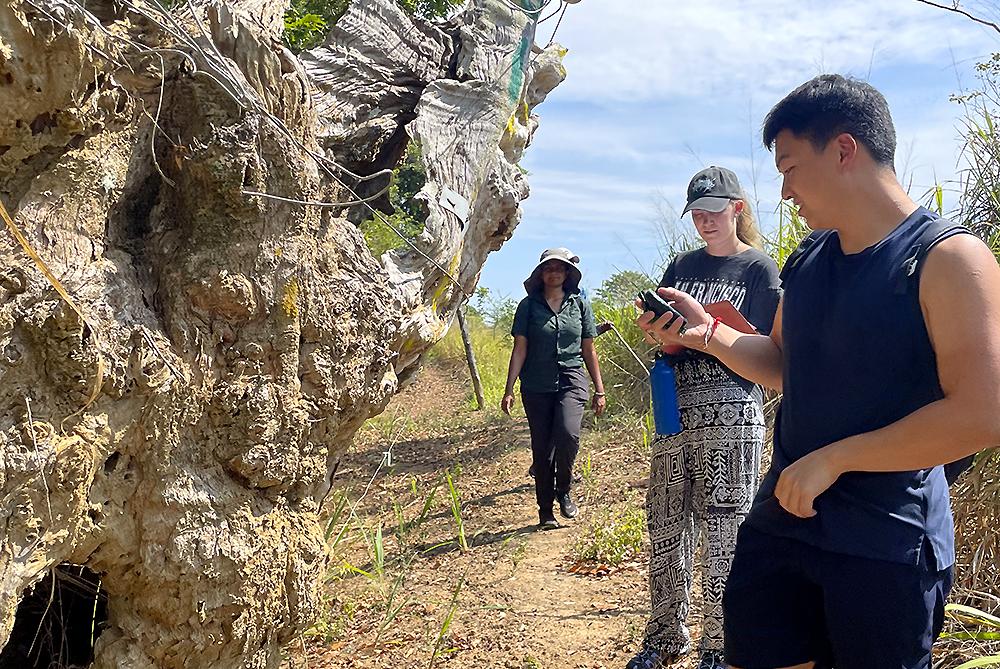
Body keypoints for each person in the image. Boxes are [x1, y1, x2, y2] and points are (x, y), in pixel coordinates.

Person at [638, 74, 1000, 669]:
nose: (783, 192)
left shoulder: (947, 259)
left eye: (789, 167)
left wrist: (836, 459)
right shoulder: (807, 260)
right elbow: (783, 365)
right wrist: (708, 333)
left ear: (842, 150)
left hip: (886, 539)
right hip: (783, 522)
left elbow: (981, 414)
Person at [627, 167, 780, 669]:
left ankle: (719, 646)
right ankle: (664, 636)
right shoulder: (681, 265)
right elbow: (668, 337)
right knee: (666, 520)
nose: (704, 221)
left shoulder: (759, 269)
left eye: (713, 211)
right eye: (696, 213)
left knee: (724, 529)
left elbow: (769, 346)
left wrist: (714, 328)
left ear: (737, 208)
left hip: (734, 404)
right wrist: (658, 326)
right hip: (675, 398)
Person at [502, 247, 607, 529]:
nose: (554, 273)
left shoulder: (580, 304)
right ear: (541, 274)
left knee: (568, 434)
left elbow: (589, 348)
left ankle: (565, 489)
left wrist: (600, 389)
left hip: (572, 379)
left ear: (567, 274)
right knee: (541, 446)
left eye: (559, 268)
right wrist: (509, 389)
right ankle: (545, 510)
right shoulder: (528, 306)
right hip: (536, 382)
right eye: (549, 268)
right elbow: (520, 348)